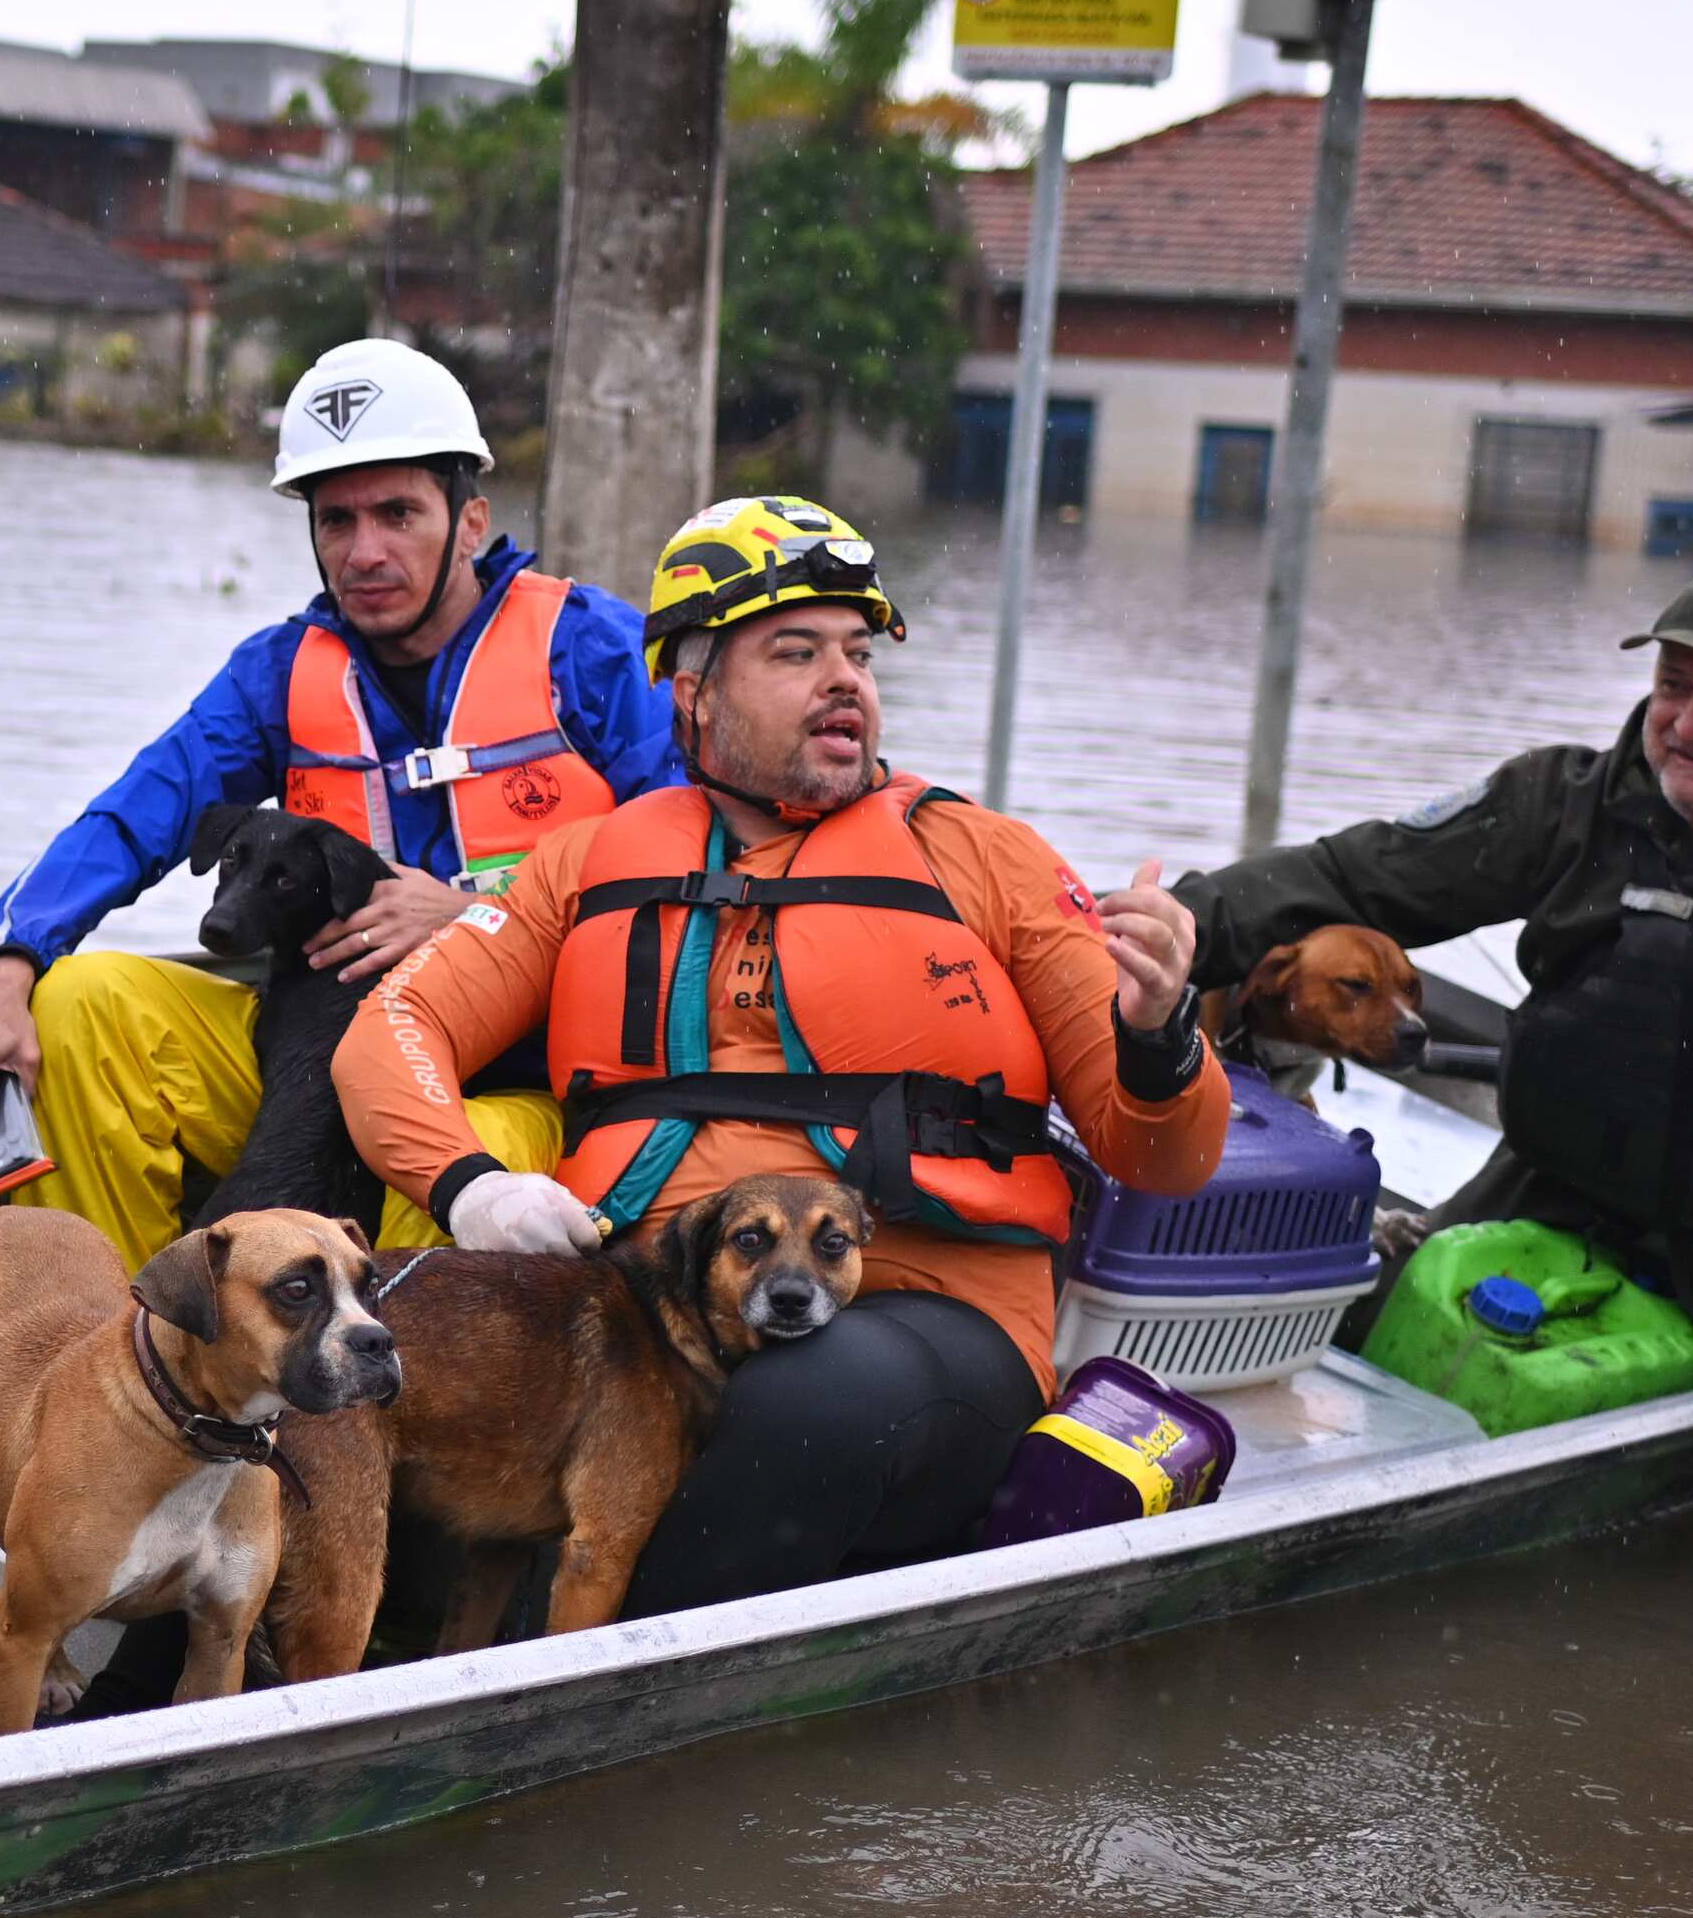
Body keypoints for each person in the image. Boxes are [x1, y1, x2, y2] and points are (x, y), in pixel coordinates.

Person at [329, 495, 1232, 1611]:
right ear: (691, 693)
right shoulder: (583, 861)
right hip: (635, 1315)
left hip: (915, 1315)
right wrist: (471, 1190)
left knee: (801, 1398)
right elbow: (392, 1032)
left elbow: (1163, 1160)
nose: (842, 678)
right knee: (357, 1355)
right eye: (794, 652)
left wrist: (1157, 1036)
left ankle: (525, 1678)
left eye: (856, 652)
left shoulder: (984, 857)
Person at [1176, 562, 1693, 1554]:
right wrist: (1168, 929)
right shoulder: (1572, 803)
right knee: (1326, 1307)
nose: (1688, 721)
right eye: (1673, 685)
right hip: (1568, 1185)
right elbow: (1344, 875)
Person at [0, 339, 684, 1259]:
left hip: (515, 1086)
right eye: (336, 520)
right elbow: (130, 818)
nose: (364, 552)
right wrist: (8, 963)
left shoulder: (591, 649)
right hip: (305, 1061)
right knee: (78, 1003)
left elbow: (684, 850)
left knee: (474, 1169)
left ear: (470, 521)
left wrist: (479, 916)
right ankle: (123, 1358)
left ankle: (372, 1398)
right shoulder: (277, 675)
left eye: (399, 513)